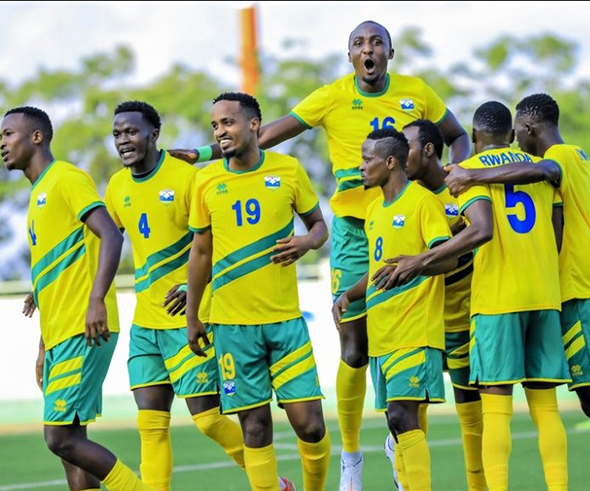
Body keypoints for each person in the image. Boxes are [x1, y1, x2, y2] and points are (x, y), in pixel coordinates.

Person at [170, 22, 470, 490]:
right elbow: (265, 133)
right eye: (357, 43)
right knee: (354, 346)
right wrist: (209, 152)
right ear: (349, 54)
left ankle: (403, 446)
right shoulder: (331, 96)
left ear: (390, 51)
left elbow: (456, 134)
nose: (367, 49)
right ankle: (351, 455)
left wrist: (461, 169)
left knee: (407, 337)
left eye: (375, 43)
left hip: (405, 219)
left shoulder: (418, 92)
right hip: (354, 230)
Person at [443, 93, 590, 490]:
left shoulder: (558, 159)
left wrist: (470, 176)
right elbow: (555, 221)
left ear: (527, 129)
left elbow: (539, 176)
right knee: (562, 403)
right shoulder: (550, 165)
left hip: (576, 289)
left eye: (520, 130)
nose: (516, 138)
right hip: (553, 294)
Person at [381, 104, 571, 491]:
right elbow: (556, 233)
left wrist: (422, 259)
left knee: (495, 410)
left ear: (475, 134)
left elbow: (479, 229)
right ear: (513, 133)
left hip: (495, 299)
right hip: (544, 296)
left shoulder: (469, 175)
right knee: (546, 409)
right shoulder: (534, 165)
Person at [104, 101, 256, 491]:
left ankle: (269, 480)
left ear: (154, 135)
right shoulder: (117, 186)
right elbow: (104, 240)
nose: (124, 140)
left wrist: (193, 287)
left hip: (188, 317)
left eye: (132, 132)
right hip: (146, 324)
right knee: (150, 425)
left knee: (207, 420)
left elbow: (219, 241)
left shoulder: (188, 178)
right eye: (118, 133)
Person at [1, 106, 153, 491]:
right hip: (60, 335)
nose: (1, 143)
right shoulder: (38, 195)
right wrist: (43, 346)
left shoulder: (65, 179)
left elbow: (112, 234)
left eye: (8, 134)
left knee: (59, 439)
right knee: (71, 446)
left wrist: (97, 300)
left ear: (36, 137)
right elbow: (56, 280)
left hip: (83, 328)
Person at [185, 92, 330, 491]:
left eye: (228, 123)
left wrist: (307, 242)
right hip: (232, 326)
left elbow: (320, 226)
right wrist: (193, 315)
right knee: (254, 426)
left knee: (311, 425)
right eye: (215, 125)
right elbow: (200, 252)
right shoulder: (205, 179)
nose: (220, 132)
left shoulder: (288, 169)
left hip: (285, 323)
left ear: (253, 125)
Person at [333, 128, 456, 491]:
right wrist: (350, 295)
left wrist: (415, 265)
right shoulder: (373, 210)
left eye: (367, 160)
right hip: (382, 336)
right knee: (395, 422)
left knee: (404, 417)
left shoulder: (421, 202)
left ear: (389, 162)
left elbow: (447, 257)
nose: (361, 167)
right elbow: (376, 269)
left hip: (415, 331)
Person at [400, 119, 484, 491]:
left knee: (471, 410)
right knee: (407, 411)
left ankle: (479, 485)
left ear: (430, 149)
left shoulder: (460, 185)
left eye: (408, 147)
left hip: (464, 318)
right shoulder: (403, 197)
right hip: (421, 320)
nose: (399, 156)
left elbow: (482, 231)